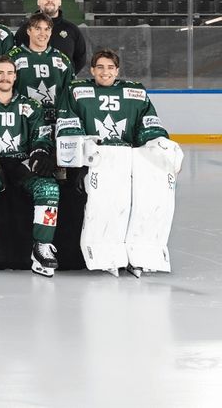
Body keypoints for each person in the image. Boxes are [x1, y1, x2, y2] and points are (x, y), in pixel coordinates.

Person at [56, 49, 182, 277]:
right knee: (105, 205)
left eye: (110, 68)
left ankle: (142, 253)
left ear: (117, 70)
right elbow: (68, 123)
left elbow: (149, 125)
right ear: (92, 69)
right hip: (97, 162)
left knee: (146, 203)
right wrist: (87, 145)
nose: (105, 72)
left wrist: (160, 143)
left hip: (130, 161)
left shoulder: (135, 92)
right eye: (100, 67)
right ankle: (106, 252)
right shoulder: (76, 90)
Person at [0, 55, 60, 276]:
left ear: (15, 76)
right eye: (0, 72)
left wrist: (39, 152)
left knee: (49, 188)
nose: (5, 77)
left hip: (22, 164)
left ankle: (42, 247)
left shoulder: (31, 105)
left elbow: (42, 136)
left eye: (9, 73)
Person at [8, 13, 74, 125]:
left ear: (51, 32)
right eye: (38, 29)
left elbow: (69, 94)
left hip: (55, 121)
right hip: (23, 121)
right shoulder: (13, 58)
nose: (43, 33)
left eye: (47, 29)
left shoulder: (62, 60)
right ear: (29, 31)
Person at [15, 0, 86, 74]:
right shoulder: (25, 29)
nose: (50, 0)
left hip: (63, 86)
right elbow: (17, 56)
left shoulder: (72, 29)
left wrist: (66, 77)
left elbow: (80, 59)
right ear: (38, 1)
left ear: (60, 1)